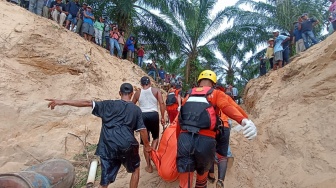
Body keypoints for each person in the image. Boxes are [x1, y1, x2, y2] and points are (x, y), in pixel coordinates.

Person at [45, 83, 152, 188]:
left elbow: (87, 102)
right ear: (132, 94)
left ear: (120, 93)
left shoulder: (108, 104)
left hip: (108, 146)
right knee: (135, 170)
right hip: (127, 145)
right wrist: (146, 145)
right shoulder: (136, 109)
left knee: (105, 182)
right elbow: (142, 130)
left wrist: (62, 101)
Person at [177, 70, 257, 188]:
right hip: (205, 141)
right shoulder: (216, 93)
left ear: (198, 81)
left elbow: (180, 119)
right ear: (214, 83)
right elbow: (227, 107)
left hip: (184, 140)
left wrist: (178, 140)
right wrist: (244, 120)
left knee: (184, 183)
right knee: (201, 180)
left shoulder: (188, 95)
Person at [132, 76, 166, 173]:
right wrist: (163, 117)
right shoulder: (156, 91)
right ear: (150, 83)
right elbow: (162, 103)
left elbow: (131, 105)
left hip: (142, 116)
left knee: (145, 142)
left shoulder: (138, 93)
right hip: (154, 115)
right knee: (155, 138)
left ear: (141, 84)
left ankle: (149, 166)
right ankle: (152, 155)